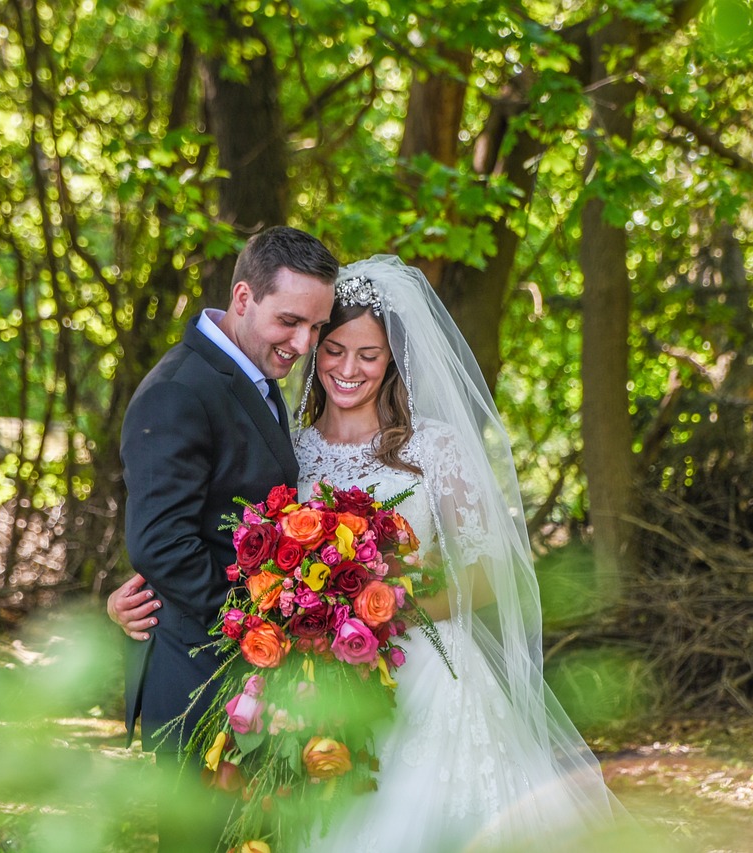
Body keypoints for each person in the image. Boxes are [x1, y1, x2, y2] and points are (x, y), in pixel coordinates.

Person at [115, 254, 625, 851]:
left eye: (369, 355)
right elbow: (208, 532)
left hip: (424, 675)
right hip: (309, 684)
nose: (346, 368)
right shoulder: (289, 449)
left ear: (394, 362)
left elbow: (493, 572)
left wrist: (379, 612)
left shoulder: (435, 448)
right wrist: (134, 593)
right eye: (332, 349)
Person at [108, 226, 338, 852]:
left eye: (316, 328)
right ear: (243, 297)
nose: (303, 344)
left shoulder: (248, 381)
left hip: (240, 675)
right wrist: (266, 628)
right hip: (200, 678)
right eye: (290, 321)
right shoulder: (182, 391)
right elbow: (161, 545)